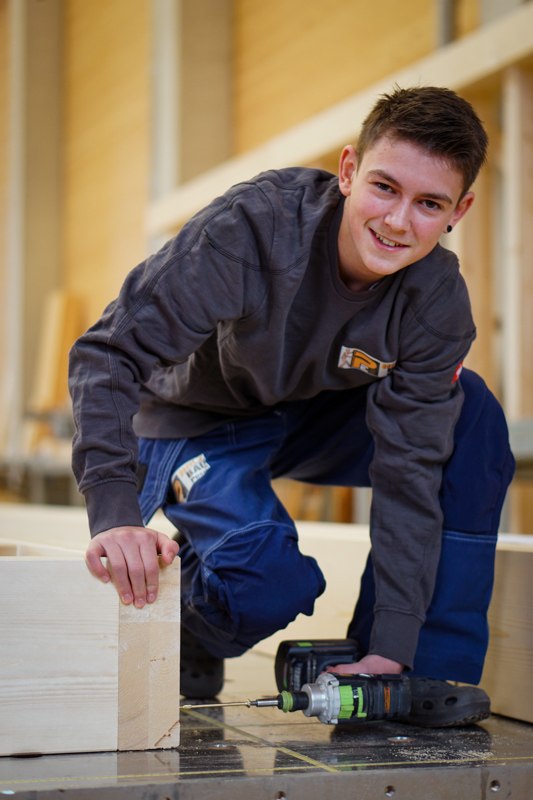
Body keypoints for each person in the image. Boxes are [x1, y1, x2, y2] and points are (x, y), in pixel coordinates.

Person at [69, 85, 515, 727]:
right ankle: (197, 623)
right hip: (196, 420)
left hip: (307, 416)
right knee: (268, 584)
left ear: (459, 210)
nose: (396, 221)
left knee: (470, 412)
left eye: (429, 204)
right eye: (384, 187)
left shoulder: (436, 301)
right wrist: (112, 511)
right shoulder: (253, 230)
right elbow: (107, 353)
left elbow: (411, 468)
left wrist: (394, 640)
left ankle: (406, 674)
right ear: (348, 170)